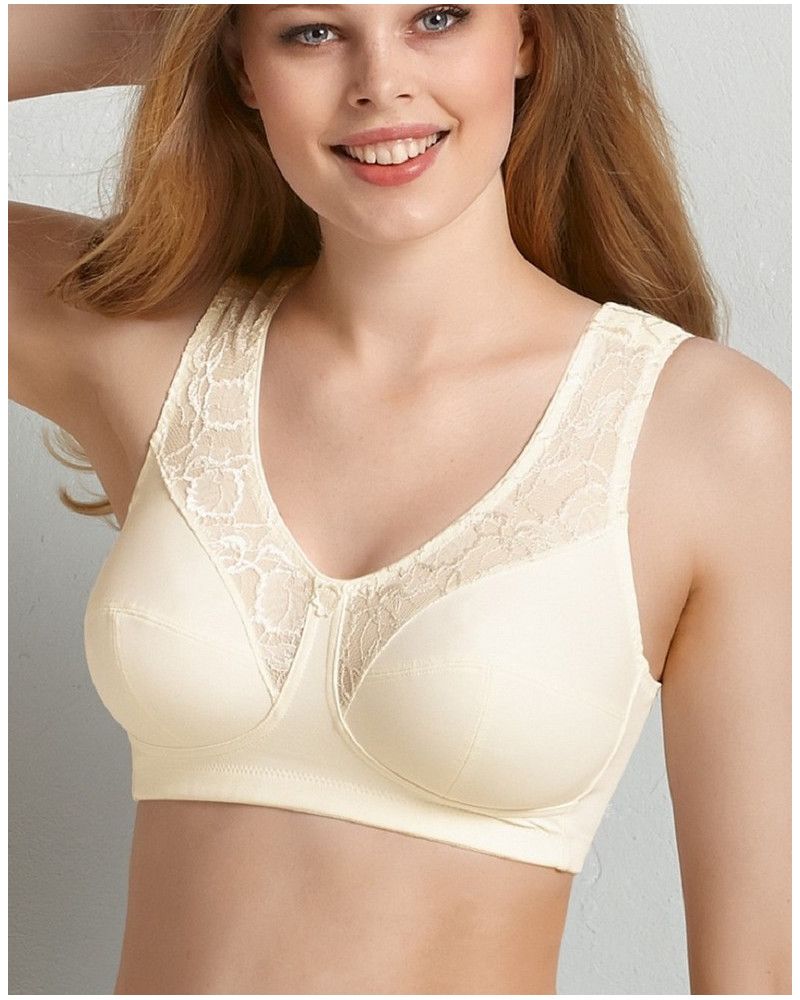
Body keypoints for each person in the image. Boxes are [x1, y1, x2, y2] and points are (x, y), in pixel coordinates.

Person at [8, 4, 790, 995]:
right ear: (243, 67)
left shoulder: (709, 432)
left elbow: (759, 971)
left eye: (437, 16)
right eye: (313, 31)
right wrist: (179, 27)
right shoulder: (144, 354)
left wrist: (269, 27)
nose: (380, 82)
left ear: (528, 35)